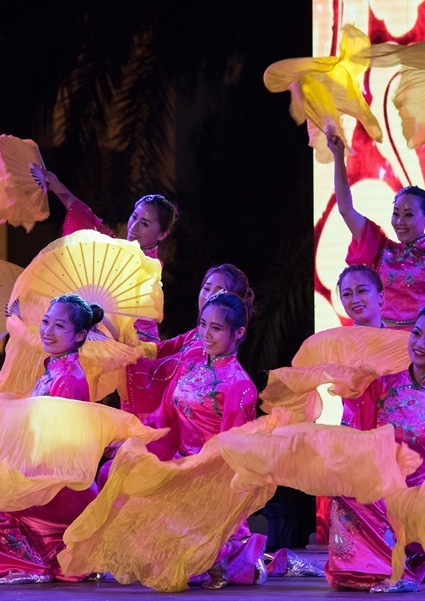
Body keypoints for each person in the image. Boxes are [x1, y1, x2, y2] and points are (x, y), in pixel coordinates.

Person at [325, 306, 425, 592]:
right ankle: (373, 567)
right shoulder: (384, 384)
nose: (420, 344)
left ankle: (401, 572)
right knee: (343, 488)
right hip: (383, 490)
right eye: (416, 334)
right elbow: (363, 434)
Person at [0, 294, 105, 584]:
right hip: (46, 474)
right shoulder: (53, 368)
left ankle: (26, 564)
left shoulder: (70, 378)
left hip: (60, 484)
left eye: (59, 326)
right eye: (46, 322)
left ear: (80, 335)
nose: (47, 331)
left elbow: (55, 445)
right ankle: (38, 557)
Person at [147, 291, 264, 588]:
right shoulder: (189, 366)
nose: (205, 334)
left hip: (212, 480)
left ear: (238, 333)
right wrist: (134, 437)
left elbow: (232, 452)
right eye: (202, 325)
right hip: (181, 468)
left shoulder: (240, 385)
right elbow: (164, 416)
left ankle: (226, 551)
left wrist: (196, 474)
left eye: (216, 328)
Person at [327, 120, 425, 328]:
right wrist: (338, 157)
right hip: (380, 340)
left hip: (421, 344)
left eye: (408, 215)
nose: (400, 222)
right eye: (396, 214)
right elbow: (346, 209)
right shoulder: (381, 248)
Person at [30, 164, 178, 342]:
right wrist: (54, 184)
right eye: (134, 217)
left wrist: (105, 327)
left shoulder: (149, 271)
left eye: (145, 223)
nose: (134, 226)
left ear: (163, 234)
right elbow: (85, 217)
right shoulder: (113, 248)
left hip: (130, 344)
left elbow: (138, 327)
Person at [122, 263, 254, 421]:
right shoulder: (196, 336)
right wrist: (125, 346)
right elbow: (161, 350)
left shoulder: (238, 384)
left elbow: (163, 367)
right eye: (206, 288)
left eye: (219, 292)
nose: (208, 296)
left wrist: (129, 353)